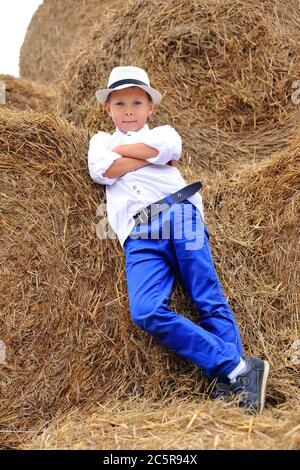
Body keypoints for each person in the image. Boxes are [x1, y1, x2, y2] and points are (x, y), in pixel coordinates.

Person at [88, 66, 269, 413]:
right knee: (145, 311)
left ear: (150, 108)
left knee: (206, 296)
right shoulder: (100, 141)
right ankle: (239, 367)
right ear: (107, 109)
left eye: (137, 103)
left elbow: (170, 147)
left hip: (178, 213)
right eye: (120, 103)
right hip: (138, 235)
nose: (129, 110)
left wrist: (127, 159)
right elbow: (100, 169)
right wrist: (148, 155)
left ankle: (231, 383)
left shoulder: (165, 132)